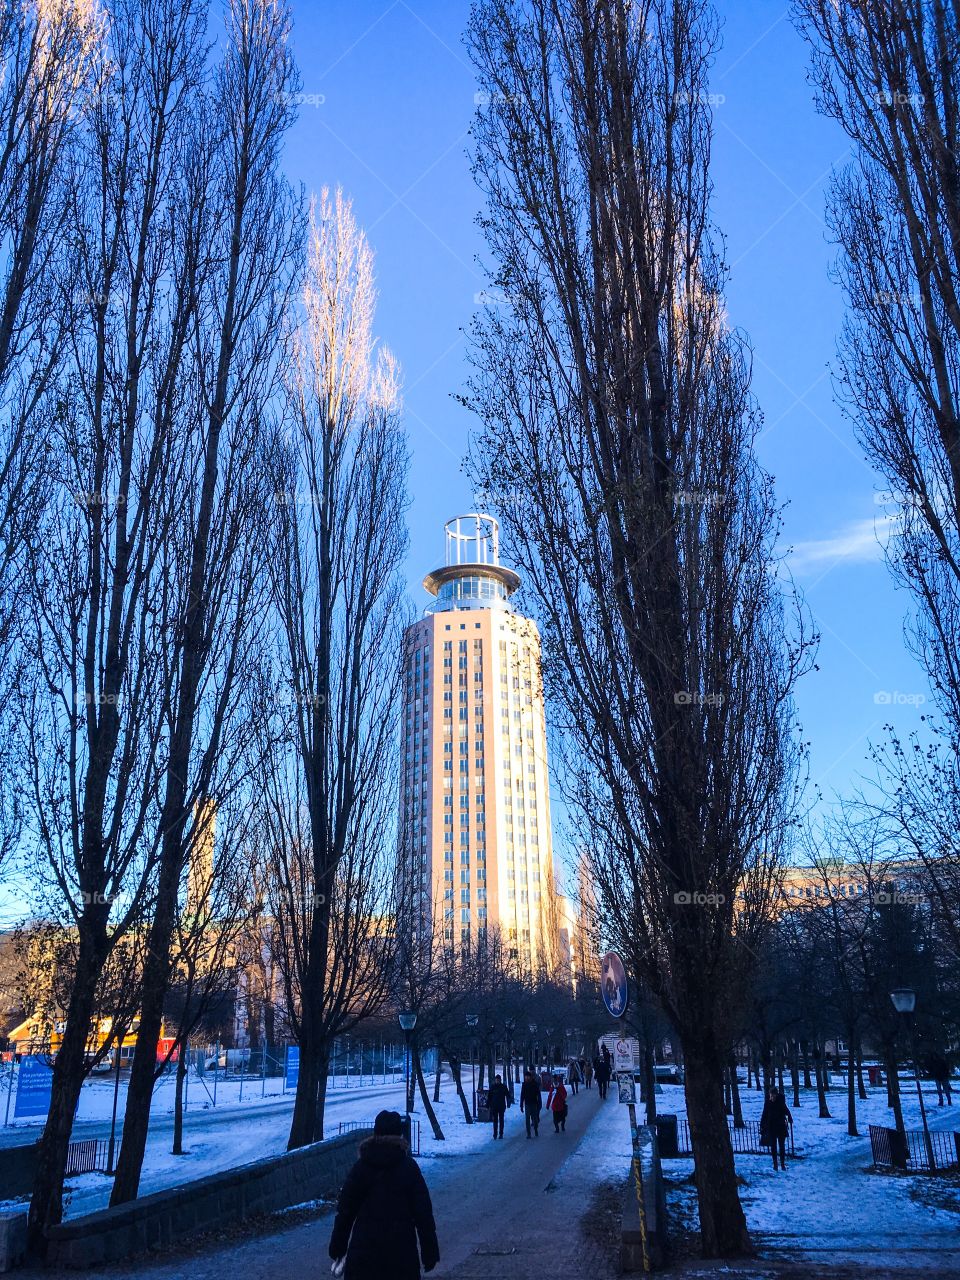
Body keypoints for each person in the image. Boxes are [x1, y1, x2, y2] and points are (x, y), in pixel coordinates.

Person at [329, 1109, 439, 1279]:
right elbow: (423, 1213)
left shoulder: (361, 1167)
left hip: (364, 1254)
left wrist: (338, 1247)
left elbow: (345, 1211)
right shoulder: (409, 1168)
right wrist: (429, 1251)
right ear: (400, 1135)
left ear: (375, 1133)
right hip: (401, 1255)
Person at [760, 1087, 793, 1171]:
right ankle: (775, 1164)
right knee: (773, 1146)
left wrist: (789, 1117)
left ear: (776, 1095)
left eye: (773, 1095)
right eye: (771, 1095)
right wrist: (762, 1126)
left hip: (780, 1126)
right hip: (771, 1126)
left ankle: (782, 1163)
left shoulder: (780, 1102)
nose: (772, 1097)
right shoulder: (767, 1103)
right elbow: (764, 1113)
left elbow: (786, 1110)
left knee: (781, 1146)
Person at [520, 1069, 542, 1138]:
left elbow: (538, 1094)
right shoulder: (524, 1085)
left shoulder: (534, 1084)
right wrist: (521, 1105)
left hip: (534, 1103)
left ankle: (536, 1129)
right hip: (527, 1104)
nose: (526, 1078)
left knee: (535, 1119)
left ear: (530, 1077)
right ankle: (528, 1133)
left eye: (527, 1077)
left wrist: (539, 1103)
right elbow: (522, 1095)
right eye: (525, 1077)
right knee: (527, 1119)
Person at [487, 1072, 509, 1139]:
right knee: (495, 1121)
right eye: (496, 1080)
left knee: (501, 1120)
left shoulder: (503, 1087)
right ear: (495, 1080)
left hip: (501, 1106)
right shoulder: (492, 1087)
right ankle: (495, 1134)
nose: (497, 1081)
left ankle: (501, 1133)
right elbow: (489, 1096)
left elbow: (507, 1095)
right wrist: (488, 1105)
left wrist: (509, 1102)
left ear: (500, 1080)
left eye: (498, 1080)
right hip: (494, 1106)